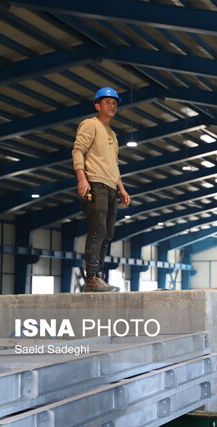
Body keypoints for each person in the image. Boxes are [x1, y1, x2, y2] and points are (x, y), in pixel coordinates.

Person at [72, 87, 131, 292]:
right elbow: (78, 150)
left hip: (110, 187)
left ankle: (100, 277)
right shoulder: (90, 125)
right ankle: (92, 278)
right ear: (97, 105)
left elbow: (114, 164)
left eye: (115, 102)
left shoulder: (113, 135)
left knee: (107, 234)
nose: (112, 105)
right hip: (95, 184)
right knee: (97, 231)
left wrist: (121, 189)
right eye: (107, 101)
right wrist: (82, 178)